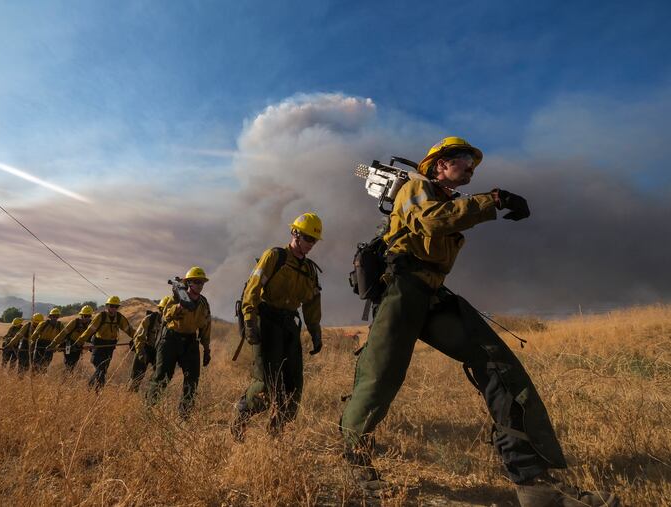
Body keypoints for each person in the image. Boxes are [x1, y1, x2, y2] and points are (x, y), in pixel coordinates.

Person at [339, 137, 618, 507]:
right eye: (466, 160)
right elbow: (432, 222)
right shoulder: (416, 187)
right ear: (440, 163)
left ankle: (535, 486)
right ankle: (354, 459)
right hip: (401, 291)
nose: (472, 167)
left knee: (499, 366)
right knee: (380, 377)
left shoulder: (445, 197)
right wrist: (494, 200)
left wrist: (485, 203)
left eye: (474, 162)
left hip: (433, 294)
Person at [231, 213, 323, 441]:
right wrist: (250, 321)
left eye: (314, 241)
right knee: (265, 384)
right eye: (307, 239)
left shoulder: (310, 270)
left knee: (293, 388)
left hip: (289, 327)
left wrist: (315, 331)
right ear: (295, 234)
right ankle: (240, 418)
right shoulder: (275, 257)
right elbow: (252, 289)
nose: (310, 245)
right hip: (267, 321)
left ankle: (275, 436)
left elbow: (312, 302)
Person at [146, 268, 211, 417]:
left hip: (190, 341)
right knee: (162, 377)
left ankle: (185, 415)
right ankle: (148, 411)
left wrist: (207, 349)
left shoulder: (203, 304)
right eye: (196, 282)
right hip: (170, 340)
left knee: (192, 379)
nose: (199, 285)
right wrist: (180, 306)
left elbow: (206, 326)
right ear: (188, 283)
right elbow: (165, 317)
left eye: (202, 282)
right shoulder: (174, 299)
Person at [76, 296, 135, 389]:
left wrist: (137, 338)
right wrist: (79, 342)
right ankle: (97, 390)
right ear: (107, 306)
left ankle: (92, 388)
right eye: (112, 306)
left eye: (116, 306)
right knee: (100, 367)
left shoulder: (119, 318)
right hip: (98, 346)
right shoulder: (101, 316)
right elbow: (89, 331)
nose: (114, 308)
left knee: (103, 369)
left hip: (110, 346)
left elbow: (129, 330)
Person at [129, 298, 166, 392]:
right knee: (135, 378)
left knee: (158, 379)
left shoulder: (171, 324)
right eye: (165, 309)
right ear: (161, 309)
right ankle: (129, 397)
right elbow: (138, 337)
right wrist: (141, 353)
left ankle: (150, 398)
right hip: (145, 349)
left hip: (159, 351)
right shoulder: (149, 319)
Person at [48, 305, 93, 374]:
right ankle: (66, 377)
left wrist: (91, 345)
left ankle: (68, 376)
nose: (87, 318)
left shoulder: (90, 324)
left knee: (74, 362)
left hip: (79, 345)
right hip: (68, 344)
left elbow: (92, 336)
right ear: (81, 315)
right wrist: (53, 344)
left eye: (88, 316)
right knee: (69, 363)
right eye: (85, 316)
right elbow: (62, 334)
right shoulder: (74, 322)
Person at [30, 307, 63, 374]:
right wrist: (33, 344)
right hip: (40, 344)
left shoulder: (60, 325)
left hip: (51, 345)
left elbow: (63, 336)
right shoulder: (43, 324)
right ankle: (34, 378)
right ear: (50, 317)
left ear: (58, 317)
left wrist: (58, 345)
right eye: (53, 316)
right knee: (36, 364)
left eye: (56, 316)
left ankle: (41, 380)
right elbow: (34, 335)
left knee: (45, 365)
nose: (54, 318)